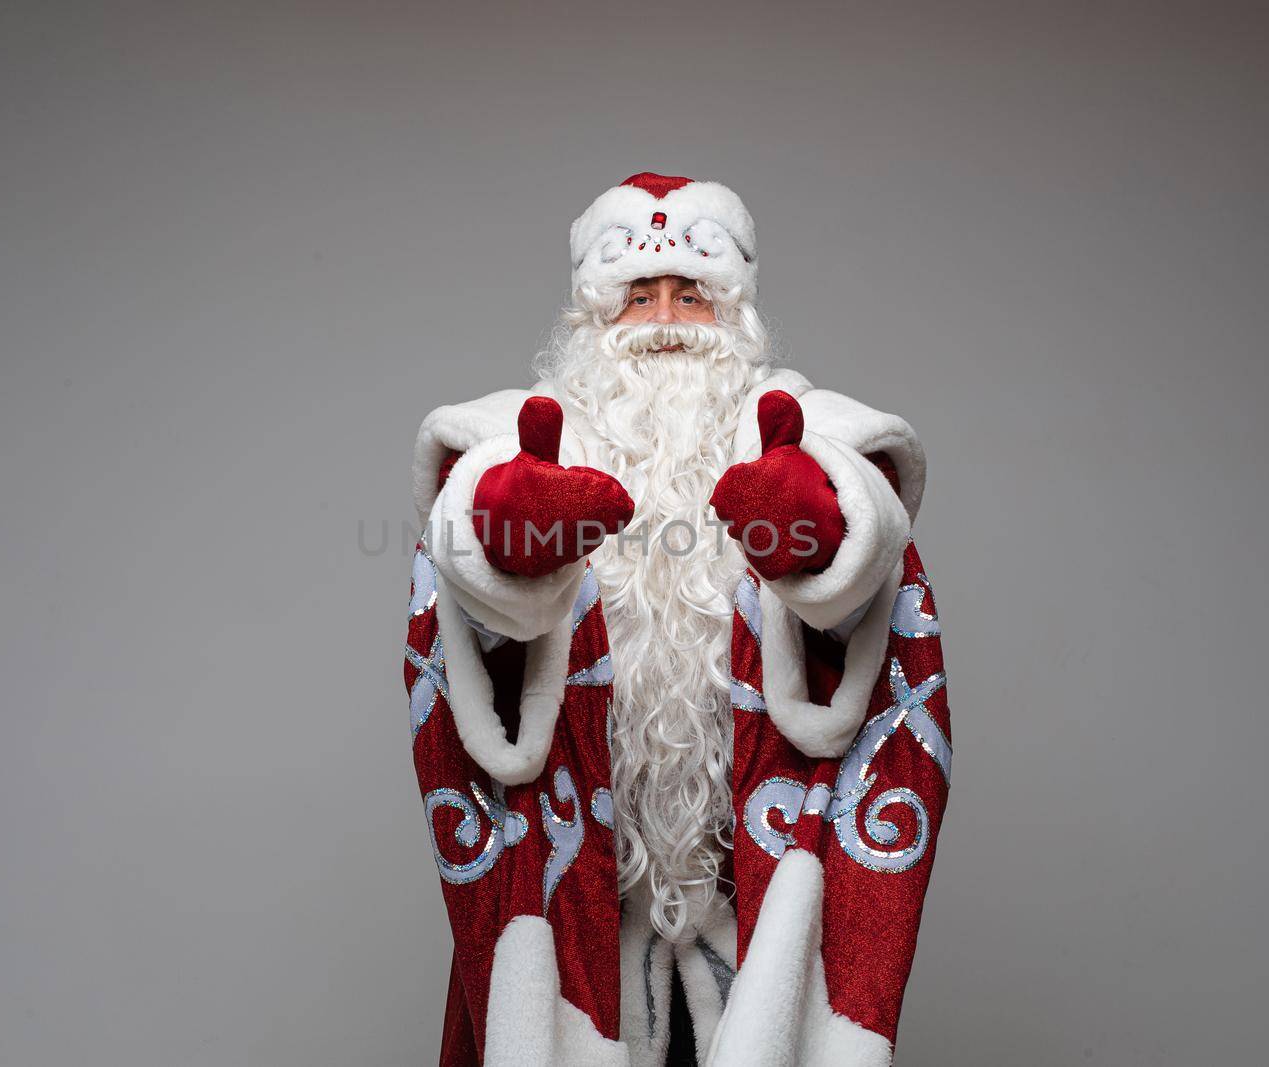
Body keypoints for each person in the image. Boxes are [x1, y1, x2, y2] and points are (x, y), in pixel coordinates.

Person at [403, 173, 950, 1066]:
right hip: (586, 903)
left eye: (692, 294)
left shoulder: (801, 426)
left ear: (735, 312)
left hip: (753, 898)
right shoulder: (526, 431)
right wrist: (515, 533)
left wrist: (812, 524)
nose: (664, 319)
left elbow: (868, 523)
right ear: (591, 320)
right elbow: (468, 542)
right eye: (637, 296)